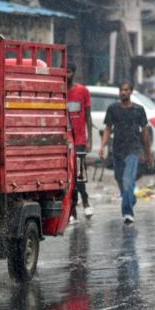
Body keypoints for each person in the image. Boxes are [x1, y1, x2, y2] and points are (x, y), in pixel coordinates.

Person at [99, 82, 153, 225]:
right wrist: (102, 146)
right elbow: (107, 129)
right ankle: (131, 199)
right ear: (119, 92)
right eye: (121, 90)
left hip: (133, 150)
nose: (123, 92)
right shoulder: (113, 109)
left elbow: (145, 132)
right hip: (117, 150)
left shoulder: (138, 110)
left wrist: (148, 153)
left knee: (128, 181)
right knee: (120, 179)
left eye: (126, 90)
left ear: (131, 92)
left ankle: (128, 213)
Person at [66, 62, 94, 223]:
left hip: (80, 140)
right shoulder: (60, 92)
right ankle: (72, 209)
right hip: (66, 141)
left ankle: (85, 200)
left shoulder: (83, 91)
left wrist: (89, 139)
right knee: (70, 177)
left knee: (79, 174)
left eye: (69, 72)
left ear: (74, 73)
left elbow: (88, 117)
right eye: (64, 72)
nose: (67, 75)